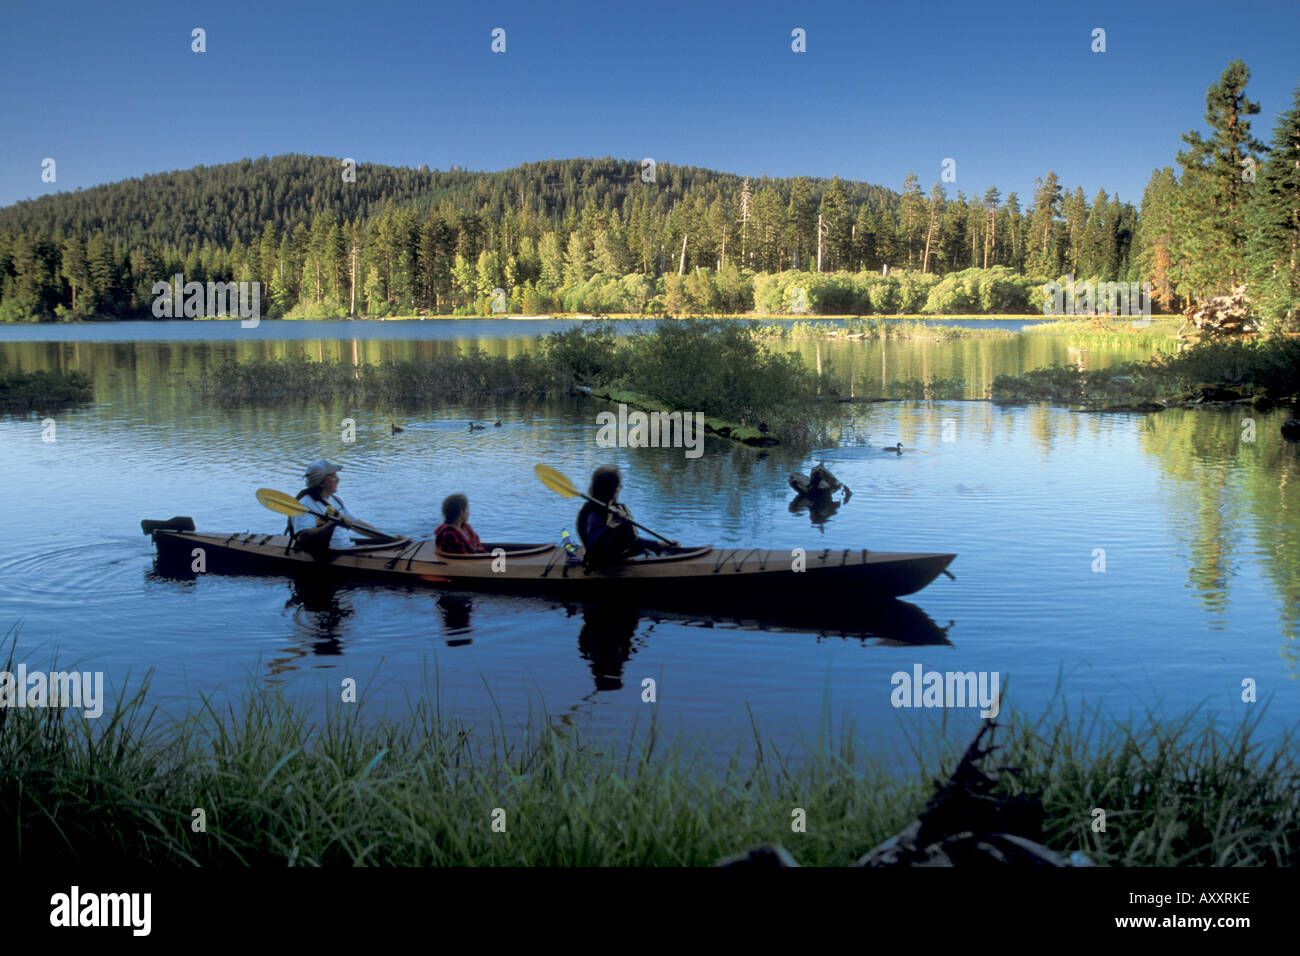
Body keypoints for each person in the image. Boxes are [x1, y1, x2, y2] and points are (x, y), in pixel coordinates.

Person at [576, 466, 672, 566]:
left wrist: (659, 545)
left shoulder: (610, 509)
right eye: (619, 486)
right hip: (606, 565)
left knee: (662, 551)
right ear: (613, 489)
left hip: (618, 557)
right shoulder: (594, 514)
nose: (620, 489)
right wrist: (611, 525)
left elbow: (632, 541)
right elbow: (594, 548)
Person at [290, 460, 363, 553]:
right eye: (333, 476)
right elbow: (304, 537)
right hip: (325, 553)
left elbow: (357, 524)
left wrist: (385, 537)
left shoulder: (336, 500)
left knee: (383, 540)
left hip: (346, 548)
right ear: (322, 483)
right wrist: (333, 524)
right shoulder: (304, 504)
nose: (338, 479)